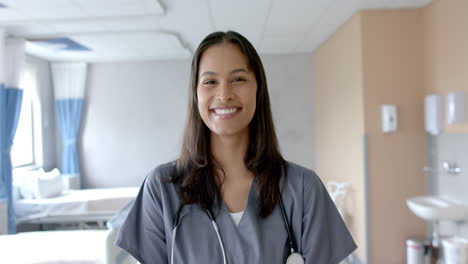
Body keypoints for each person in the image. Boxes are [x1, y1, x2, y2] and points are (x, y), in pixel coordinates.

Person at [116, 31, 357, 264]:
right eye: (210, 81)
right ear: (195, 94)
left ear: (258, 89)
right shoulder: (162, 188)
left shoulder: (303, 189)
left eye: (238, 79)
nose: (224, 94)